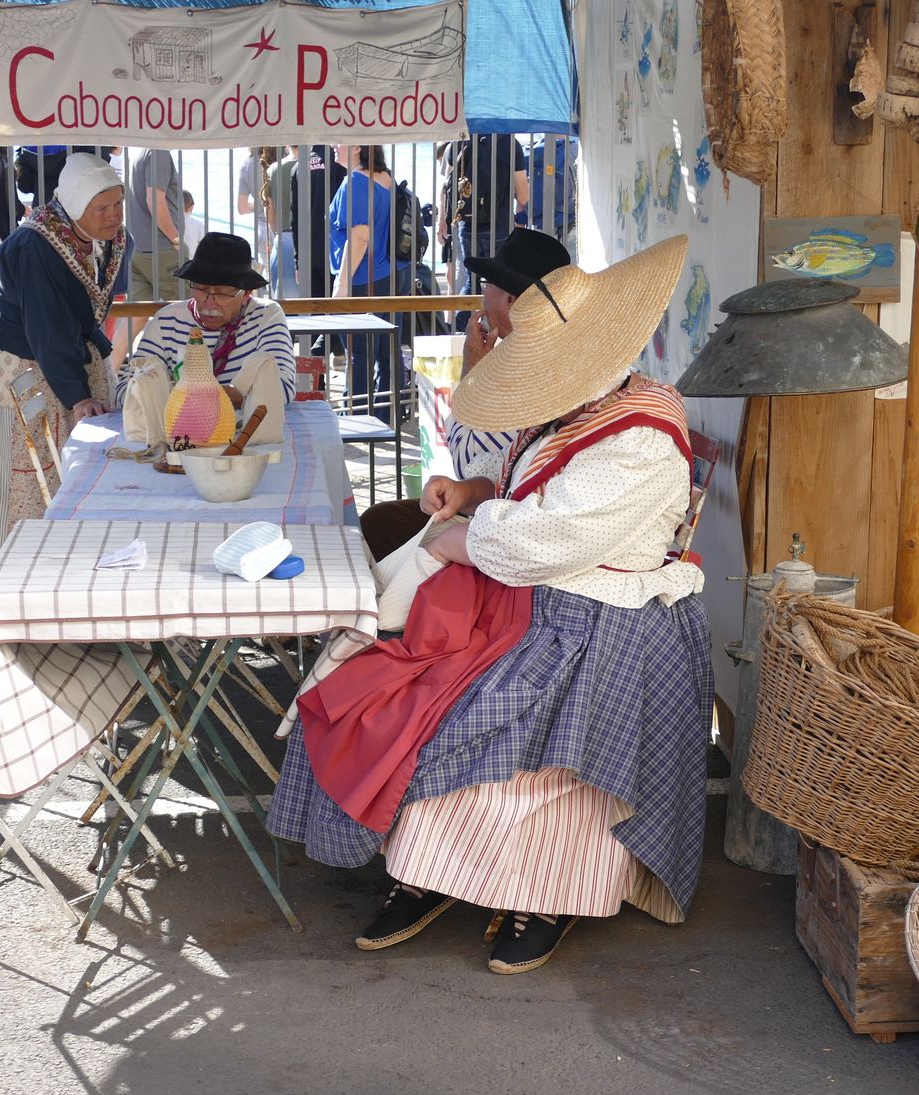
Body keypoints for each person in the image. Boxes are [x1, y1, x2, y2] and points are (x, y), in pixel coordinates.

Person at [268, 235, 709, 976]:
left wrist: (461, 540)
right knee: (400, 698)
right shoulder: (576, 409)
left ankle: (552, 893)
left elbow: (548, 537)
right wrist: (472, 494)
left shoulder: (640, 439)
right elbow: (522, 489)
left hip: (607, 627)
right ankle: (429, 872)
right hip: (537, 604)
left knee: (471, 724)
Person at [0, 154, 127, 559]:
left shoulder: (109, 237)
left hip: (62, 351)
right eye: (102, 208)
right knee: (20, 467)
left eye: (118, 203)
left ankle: (76, 547)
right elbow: (47, 325)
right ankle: (15, 557)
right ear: (75, 205)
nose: (114, 215)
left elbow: (84, 307)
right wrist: (78, 395)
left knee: (68, 462)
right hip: (19, 358)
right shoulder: (36, 245)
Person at [358, 225, 571, 560]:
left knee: (380, 526)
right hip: (497, 509)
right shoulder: (520, 354)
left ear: (512, 301)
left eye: (488, 286)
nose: (482, 296)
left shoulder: (528, 368)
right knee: (380, 521)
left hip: (512, 526)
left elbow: (467, 459)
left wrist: (472, 367)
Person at [118, 233, 295, 407]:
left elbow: (281, 389)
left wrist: (189, 395)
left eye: (222, 293)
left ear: (246, 293)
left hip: (248, 426)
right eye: (201, 289)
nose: (210, 302)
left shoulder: (265, 315)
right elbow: (127, 390)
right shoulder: (166, 322)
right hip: (178, 424)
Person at [329, 144, 399, 423]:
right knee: (385, 351)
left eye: (338, 141)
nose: (333, 147)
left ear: (357, 146)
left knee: (358, 353)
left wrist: (342, 284)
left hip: (360, 278)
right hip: (386, 274)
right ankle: (387, 414)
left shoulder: (356, 182)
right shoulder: (385, 177)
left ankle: (356, 417)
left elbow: (360, 237)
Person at [437, 133, 530, 328]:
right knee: (500, 283)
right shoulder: (509, 143)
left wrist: (442, 221)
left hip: (467, 225)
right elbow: (523, 196)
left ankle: (463, 329)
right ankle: (499, 330)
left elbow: (447, 187)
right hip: (499, 225)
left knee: (471, 281)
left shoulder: (457, 141)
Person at [270, 143, 345, 299]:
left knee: (315, 308)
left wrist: (298, 262)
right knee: (338, 308)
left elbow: (295, 220)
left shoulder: (299, 167)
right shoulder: (339, 163)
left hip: (309, 255)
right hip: (336, 252)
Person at [126, 147, 185, 304]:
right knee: (186, 309)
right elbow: (155, 200)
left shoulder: (138, 153)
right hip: (162, 248)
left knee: (138, 312)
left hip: (137, 249)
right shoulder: (158, 151)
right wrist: (176, 239)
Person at [181, 189, 206, 259]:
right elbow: (205, 248)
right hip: (191, 262)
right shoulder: (198, 225)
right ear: (192, 206)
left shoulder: (171, 222)